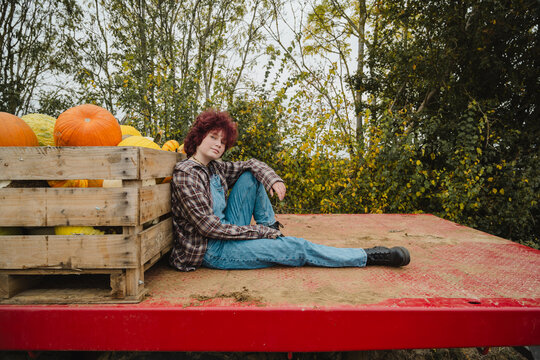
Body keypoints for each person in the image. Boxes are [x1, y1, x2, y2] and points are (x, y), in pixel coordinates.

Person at [169, 109, 410, 271]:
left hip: (225, 234)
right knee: (298, 248)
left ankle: (273, 231)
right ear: (199, 137)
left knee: (250, 175)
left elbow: (252, 164)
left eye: (223, 142)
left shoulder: (214, 168)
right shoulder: (187, 173)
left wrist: (273, 179)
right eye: (213, 137)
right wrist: (259, 233)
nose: (218, 145)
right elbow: (210, 228)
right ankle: (367, 256)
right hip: (211, 249)